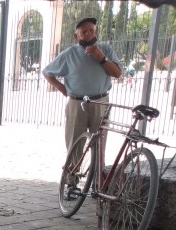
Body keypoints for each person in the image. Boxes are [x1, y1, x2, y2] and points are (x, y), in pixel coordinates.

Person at [42, 18, 122, 152]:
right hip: (77, 104)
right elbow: (46, 72)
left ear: (96, 33)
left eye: (92, 30)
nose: (88, 34)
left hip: (101, 103)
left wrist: (101, 57)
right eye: (84, 32)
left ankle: (96, 173)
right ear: (76, 36)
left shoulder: (106, 50)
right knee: (74, 146)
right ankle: (71, 173)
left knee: (99, 148)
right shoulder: (69, 54)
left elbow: (117, 73)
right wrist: (61, 88)